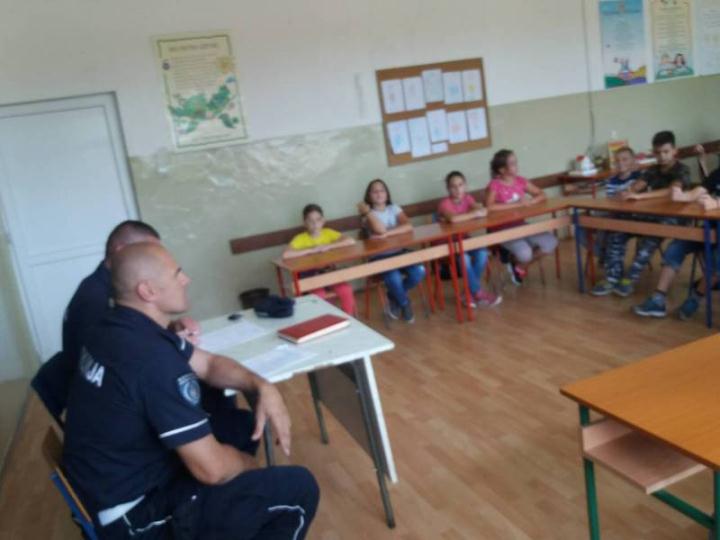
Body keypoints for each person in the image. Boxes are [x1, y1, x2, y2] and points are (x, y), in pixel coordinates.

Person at [63, 242, 319, 539]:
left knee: (242, 427)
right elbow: (212, 470)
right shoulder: (151, 359)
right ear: (148, 291)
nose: (186, 279)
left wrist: (260, 384)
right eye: (177, 274)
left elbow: (208, 364)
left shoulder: (118, 325)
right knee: (298, 489)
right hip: (133, 518)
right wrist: (250, 466)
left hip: (113, 480)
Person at [31, 220, 204, 419]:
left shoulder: (104, 284)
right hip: (101, 407)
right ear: (121, 251)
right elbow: (125, 358)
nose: (154, 259)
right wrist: (173, 345)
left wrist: (172, 329)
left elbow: (136, 328)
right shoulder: (95, 300)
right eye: (146, 250)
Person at [634, 144, 720, 318]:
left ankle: (695, 298)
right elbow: (698, 191)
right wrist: (682, 196)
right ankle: (658, 300)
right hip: (709, 230)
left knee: (716, 262)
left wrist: (717, 203)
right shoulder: (717, 173)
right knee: (675, 248)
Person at [485, 149, 558, 283]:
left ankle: (518, 265)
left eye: (515, 162)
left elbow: (542, 194)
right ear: (502, 170)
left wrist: (531, 201)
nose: (516, 165)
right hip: (502, 230)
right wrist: (517, 204)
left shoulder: (520, 181)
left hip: (521, 226)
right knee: (525, 253)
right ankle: (512, 255)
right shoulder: (495, 185)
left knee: (550, 242)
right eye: (512, 163)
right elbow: (489, 207)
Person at [358, 178, 425, 323]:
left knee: (419, 271)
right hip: (379, 257)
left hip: (399, 252)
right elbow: (380, 229)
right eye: (374, 191)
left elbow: (408, 226)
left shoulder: (393, 208)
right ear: (369, 196)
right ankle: (405, 303)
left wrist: (388, 234)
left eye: (382, 190)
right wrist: (368, 212)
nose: (379, 193)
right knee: (394, 277)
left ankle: (393, 296)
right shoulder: (367, 215)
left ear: (387, 193)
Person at [436, 171, 501, 307]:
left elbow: (483, 211)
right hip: (447, 245)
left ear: (465, 186)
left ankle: (467, 293)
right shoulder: (444, 203)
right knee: (464, 258)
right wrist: (474, 214)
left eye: (460, 185)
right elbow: (453, 219)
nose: (458, 189)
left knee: (482, 252)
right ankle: (478, 293)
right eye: (453, 186)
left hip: (464, 240)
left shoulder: (468, 198)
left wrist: (475, 211)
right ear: (448, 189)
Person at [283, 203, 356, 315]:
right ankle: (325, 319)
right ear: (305, 223)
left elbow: (351, 241)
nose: (315, 224)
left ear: (323, 220)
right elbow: (286, 255)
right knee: (319, 295)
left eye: (318, 220)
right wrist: (311, 250)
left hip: (328, 272)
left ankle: (349, 317)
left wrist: (329, 246)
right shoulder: (300, 238)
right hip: (310, 275)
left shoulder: (328, 233)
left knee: (345, 289)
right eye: (310, 221)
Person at [588, 146, 643, 296]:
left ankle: (626, 275)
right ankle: (611, 275)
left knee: (612, 231)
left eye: (625, 159)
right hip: (618, 218)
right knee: (605, 230)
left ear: (633, 161)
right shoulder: (611, 181)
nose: (621, 163)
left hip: (638, 218)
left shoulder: (640, 178)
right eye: (617, 161)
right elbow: (612, 202)